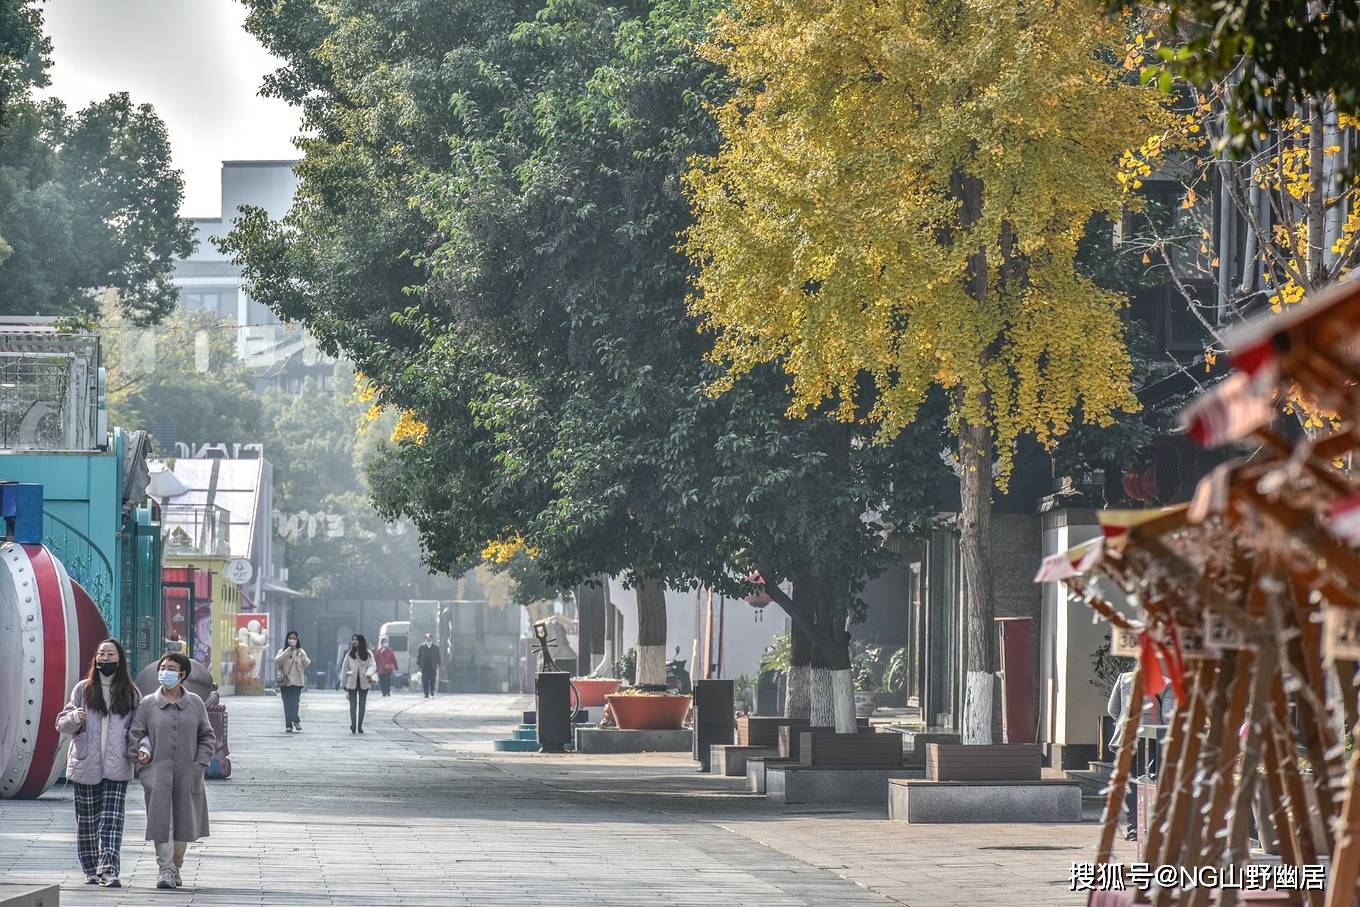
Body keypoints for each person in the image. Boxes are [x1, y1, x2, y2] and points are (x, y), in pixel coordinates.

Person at [56, 638, 140, 888]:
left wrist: (141, 749)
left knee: (113, 820)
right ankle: (91, 869)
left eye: (110, 654)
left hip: (118, 765)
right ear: (96, 659)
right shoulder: (83, 689)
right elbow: (62, 723)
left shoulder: (131, 692)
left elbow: (139, 728)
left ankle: (109, 869)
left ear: (120, 659)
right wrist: (74, 717)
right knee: (87, 822)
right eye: (101, 653)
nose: (105, 658)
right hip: (86, 763)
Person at [128, 652, 215, 890]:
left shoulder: (195, 703)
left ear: (182, 674)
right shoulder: (147, 704)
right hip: (157, 773)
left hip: (189, 772)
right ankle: (164, 869)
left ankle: (176, 864)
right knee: (161, 822)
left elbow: (207, 735)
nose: (165, 672)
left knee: (184, 822)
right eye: (162, 667)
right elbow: (134, 735)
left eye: (171, 668)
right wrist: (142, 765)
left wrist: (201, 763)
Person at [1107, 671, 1176, 841]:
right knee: (1151, 781)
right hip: (1153, 738)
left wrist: (1126, 722)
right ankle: (1152, 825)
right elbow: (1168, 717)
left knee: (1130, 782)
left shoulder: (1123, 678)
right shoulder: (1166, 683)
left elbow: (1113, 709)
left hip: (1127, 737)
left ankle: (1133, 828)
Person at [338, 634, 377, 733]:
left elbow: (373, 665)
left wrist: (369, 674)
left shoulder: (368, 654)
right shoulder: (349, 654)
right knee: (353, 705)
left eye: (356, 640)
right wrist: (343, 683)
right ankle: (353, 725)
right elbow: (344, 668)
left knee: (362, 704)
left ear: (361, 641)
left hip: (364, 680)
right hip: (352, 682)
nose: (354, 641)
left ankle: (360, 725)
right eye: (353, 640)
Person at [274, 631, 311, 732]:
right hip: (285, 682)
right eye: (290, 638)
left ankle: (296, 719)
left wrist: (301, 656)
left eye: (294, 638)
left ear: (297, 640)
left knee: (294, 703)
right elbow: (277, 660)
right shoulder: (282, 650)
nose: (292, 640)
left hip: (297, 682)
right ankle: (288, 725)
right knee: (286, 703)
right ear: (287, 639)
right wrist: (288, 651)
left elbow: (307, 663)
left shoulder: (300, 651)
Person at [416, 633, 439, 698]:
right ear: (425, 639)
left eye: (430, 638)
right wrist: (418, 665)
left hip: (432, 666)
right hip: (424, 667)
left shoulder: (435, 647)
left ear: (432, 638)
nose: (428, 640)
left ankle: (432, 691)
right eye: (427, 638)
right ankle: (426, 693)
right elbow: (418, 656)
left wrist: (439, 663)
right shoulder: (421, 647)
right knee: (425, 680)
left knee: (432, 680)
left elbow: (438, 656)